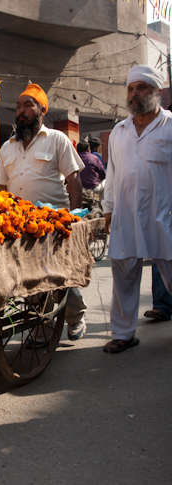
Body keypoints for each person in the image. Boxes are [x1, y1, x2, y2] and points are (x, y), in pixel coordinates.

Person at [0, 83, 87, 342]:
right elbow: (1, 189)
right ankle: (41, 328)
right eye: (18, 106)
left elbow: (74, 181)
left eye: (28, 105)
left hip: (53, 223)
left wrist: (76, 216)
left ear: (41, 110)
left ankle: (76, 315)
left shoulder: (57, 139)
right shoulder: (7, 147)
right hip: (18, 225)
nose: (22, 111)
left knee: (58, 276)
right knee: (29, 279)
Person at [102, 64, 172, 353]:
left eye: (141, 88)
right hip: (126, 216)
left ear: (156, 92)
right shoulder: (119, 131)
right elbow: (112, 174)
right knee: (123, 273)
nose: (134, 94)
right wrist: (108, 209)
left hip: (164, 216)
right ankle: (123, 334)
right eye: (131, 89)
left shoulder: (169, 126)